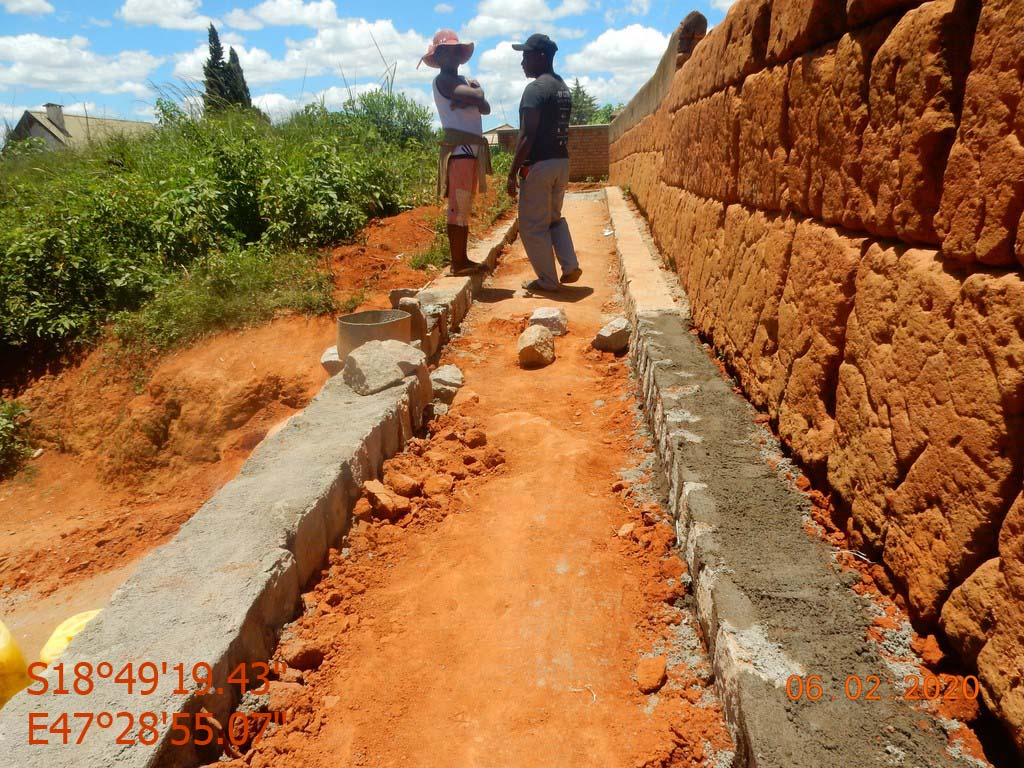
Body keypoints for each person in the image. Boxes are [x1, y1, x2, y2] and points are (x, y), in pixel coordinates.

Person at [506, 33, 581, 293]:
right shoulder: (562, 87)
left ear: (540, 57)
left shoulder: (535, 89)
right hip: (561, 162)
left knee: (531, 227)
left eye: (526, 56)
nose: (523, 62)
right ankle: (569, 265)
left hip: (539, 166)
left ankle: (548, 282)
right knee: (553, 219)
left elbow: (527, 136)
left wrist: (512, 172)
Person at [420, 29, 492, 276]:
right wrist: (476, 94)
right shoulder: (444, 81)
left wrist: (475, 97)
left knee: (463, 206)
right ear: (438, 57)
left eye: (453, 51)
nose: (450, 55)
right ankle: (458, 262)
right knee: (458, 206)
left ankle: (462, 259)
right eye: (445, 51)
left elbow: (486, 108)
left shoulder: (460, 82)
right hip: (460, 152)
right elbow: (479, 98)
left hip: (469, 151)